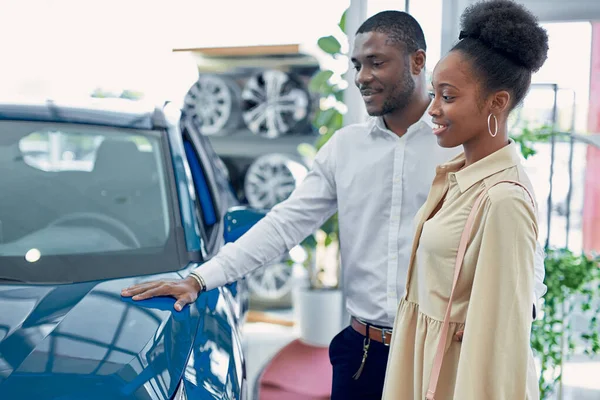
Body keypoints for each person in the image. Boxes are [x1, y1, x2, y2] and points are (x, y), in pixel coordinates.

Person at [122, 10, 546, 399]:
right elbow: (284, 224)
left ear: (418, 62)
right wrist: (200, 279)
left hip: (433, 355)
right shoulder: (345, 147)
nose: (362, 76)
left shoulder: (460, 147)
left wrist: (502, 322)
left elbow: (523, 258)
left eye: (377, 62)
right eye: (357, 65)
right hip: (361, 354)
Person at [382, 1, 549, 399]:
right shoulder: (456, 178)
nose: (433, 109)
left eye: (448, 96)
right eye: (435, 93)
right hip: (424, 368)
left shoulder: (503, 200)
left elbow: (499, 348)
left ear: (497, 103)